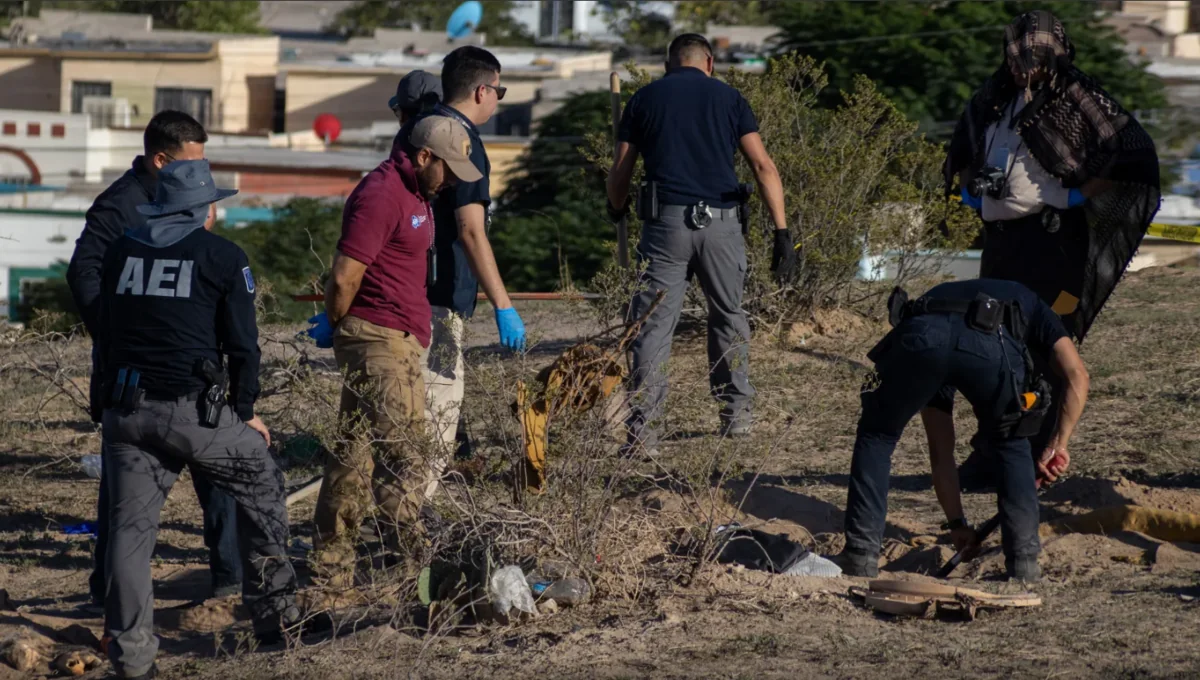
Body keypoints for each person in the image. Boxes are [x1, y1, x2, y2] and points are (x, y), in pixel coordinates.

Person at [98, 160, 308, 679]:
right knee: (259, 478)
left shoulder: (122, 250)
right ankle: (277, 619)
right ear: (202, 210)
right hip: (192, 413)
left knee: (130, 535)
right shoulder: (221, 257)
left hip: (124, 412)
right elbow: (243, 347)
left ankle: (133, 658)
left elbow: (105, 330)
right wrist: (246, 412)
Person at [943, 10, 1158, 490]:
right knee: (993, 345)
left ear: (1053, 54)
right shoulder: (994, 99)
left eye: (1032, 58)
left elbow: (1131, 150)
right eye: (1015, 58)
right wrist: (969, 188)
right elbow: (962, 148)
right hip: (1001, 243)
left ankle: (1038, 451)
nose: (1022, 68)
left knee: (1040, 349)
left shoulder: (1077, 99)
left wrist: (1076, 194)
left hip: (1052, 240)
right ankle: (991, 450)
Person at [65, 111, 241, 613]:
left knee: (217, 471)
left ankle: (228, 582)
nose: (201, 176)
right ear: (160, 161)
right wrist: (124, 335)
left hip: (193, 370)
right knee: (124, 490)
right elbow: (84, 274)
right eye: (192, 164)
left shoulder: (186, 200)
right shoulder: (121, 206)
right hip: (134, 377)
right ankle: (108, 592)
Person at [311, 116, 482, 586]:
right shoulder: (383, 194)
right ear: (423, 157)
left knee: (352, 458)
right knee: (404, 458)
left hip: (398, 339)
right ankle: (413, 574)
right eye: (447, 169)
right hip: (379, 340)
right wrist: (338, 323)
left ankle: (332, 572)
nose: (450, 182)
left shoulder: (419, 196)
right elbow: (346, 273)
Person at [606, 33, 796, 454]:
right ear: (709, 62)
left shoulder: (644, 100)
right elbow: (763, 165)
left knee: (652, 327)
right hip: (722, 226)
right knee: (729, 315)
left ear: (669, 63)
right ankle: (736, 417)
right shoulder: (730, 99)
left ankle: (645, 434)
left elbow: (621, 171)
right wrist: (782, 233)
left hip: (665, 226)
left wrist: (616, 207)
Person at [839, 279, 1090, 582]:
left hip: (919, 339)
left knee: (877, 436)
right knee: (1010, 442)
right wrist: (1059, 444)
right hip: (986, 345)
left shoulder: (939, 297)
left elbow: (941, 451)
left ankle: (860, 556)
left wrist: (957, 522)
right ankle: (1023, 563)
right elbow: (1077, 375)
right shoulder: (1034, 305)